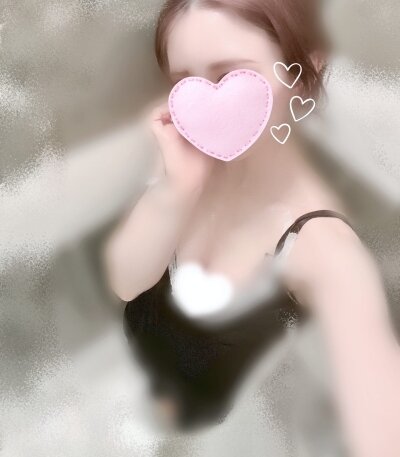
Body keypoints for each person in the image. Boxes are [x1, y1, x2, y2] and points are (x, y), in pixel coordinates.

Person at [102, 1, 400, 455]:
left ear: (303, 75)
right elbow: (126, 282)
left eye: (231, 75)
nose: (207, 103)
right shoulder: (181, 168)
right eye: (185, 82)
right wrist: (174, 191)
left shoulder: (323, 249)